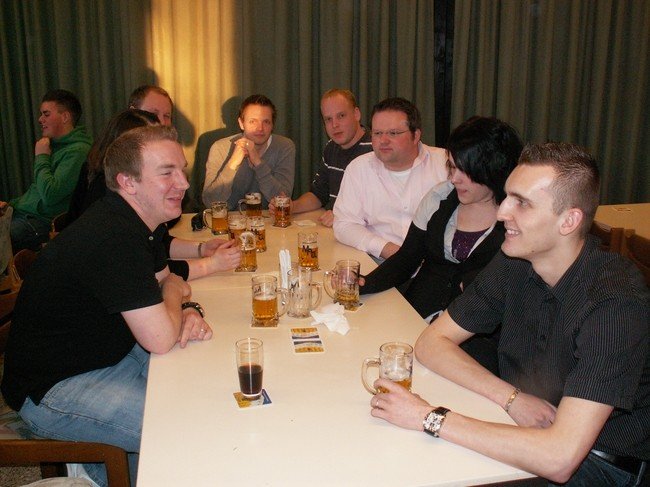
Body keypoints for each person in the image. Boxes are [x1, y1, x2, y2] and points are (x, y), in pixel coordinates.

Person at [369, 143, 649, 486]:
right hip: (526, 433)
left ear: (569, 221)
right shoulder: (516, 261)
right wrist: (511, 399)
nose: (502, 212)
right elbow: (431, 342)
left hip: (602, 464)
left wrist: (428, 417)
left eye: (522, 203)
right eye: (506, 197)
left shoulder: (615, 303)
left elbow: (559, 459)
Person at [1, 125, 213, 487]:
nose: (183, 183)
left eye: (182, 170)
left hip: (107, 353)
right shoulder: (112, 235)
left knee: (203, 383)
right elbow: (161, 335)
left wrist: (187, 306)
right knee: (186, 429)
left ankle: (111, 467)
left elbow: (164, 285)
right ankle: (94, 470)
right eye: (167, 173)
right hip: (55, 388)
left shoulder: (136, 222)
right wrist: (176, 295)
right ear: (128, 182)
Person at [360, 116, 522, 322]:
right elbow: (407, 258)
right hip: (416, 315)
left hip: (474, 328)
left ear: (493, 170)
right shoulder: (439, 197)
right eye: (452, 167)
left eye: (465, 171)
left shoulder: (517, 219)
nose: (454, 179)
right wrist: (363, 284)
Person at [65, 109, 240, 279]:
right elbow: (147, 272)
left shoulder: (128, 209)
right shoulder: (111, 215)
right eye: (166, 172)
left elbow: (157, 247)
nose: (185, 184)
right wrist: (209, 265)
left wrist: (201, 249)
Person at [333, 97, 447, 261]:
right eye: (377, 133)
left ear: (416, 135)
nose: (383, 140)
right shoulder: (359, 168)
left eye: (393, 133)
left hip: (435, 264)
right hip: (380, 261)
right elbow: (344, 224)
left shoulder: (446, 164)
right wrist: (386, 249)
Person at [1, 89, 92, 251]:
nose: (40, 119)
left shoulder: (78, 151)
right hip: (22, 214)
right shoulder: (53, 145)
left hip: (40, 222)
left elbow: (50, 195)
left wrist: (41, 157)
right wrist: (9, 206)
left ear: (65, 117)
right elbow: (36, 193)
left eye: (46, 114)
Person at [271, 89, 372, 227]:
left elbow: (385, 206)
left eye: (341, 116)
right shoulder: (331, 147)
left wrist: (344, 215)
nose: (335, 125)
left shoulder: (377, 149)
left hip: (364, 234)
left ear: (356, 114)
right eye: (328, 119)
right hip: (337, 230)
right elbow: (319, 194)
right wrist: (292, 206)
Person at [202, 94, 295, 210]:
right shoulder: (220, 148)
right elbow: (210, 202)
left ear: (273, 125)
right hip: (228, 218)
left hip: (268, 219)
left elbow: (283, 201)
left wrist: (258, 163)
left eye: (266, 122)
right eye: (252, 121)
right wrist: (232, 164)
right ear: (241, 123)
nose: (260, 128)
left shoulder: (284, 146)